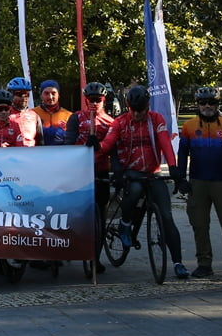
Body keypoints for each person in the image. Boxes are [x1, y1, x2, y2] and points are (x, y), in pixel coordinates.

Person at [95, 85, 191, 279]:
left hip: (151, 172)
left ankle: (178, 263)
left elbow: (165, 143)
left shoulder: (156, 119)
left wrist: (173, 168)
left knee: (166, 216)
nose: (138, 114)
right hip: (131, 172)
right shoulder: (120, 122)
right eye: (134, 110)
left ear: (148, 107)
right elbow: (107, 144)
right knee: (136, 189)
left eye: (142, 110)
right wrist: (95, 145)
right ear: (128, 106)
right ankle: (125, 223)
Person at [177, 86, 222, 281]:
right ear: (197, 105)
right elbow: (182, 153)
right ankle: (204, 264)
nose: (207, 106)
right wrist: (181, 177)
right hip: (198, 182)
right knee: (199, 225)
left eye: (212, 102)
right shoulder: (189, 126)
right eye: (203, 103)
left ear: (217, 104)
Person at [65, 82, 116, 274]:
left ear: (104, 100)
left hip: (100, 171)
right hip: (80, 172)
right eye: (91, 100)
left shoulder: (111, 122)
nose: (94, 103)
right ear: (85, 100)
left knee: (100, 218)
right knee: (78, 216)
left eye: (98, 100)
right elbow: (69, 143)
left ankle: (96, 256)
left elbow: (114, 149)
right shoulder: (76, 118)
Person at [33, 80, 73, 146]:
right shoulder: (32, 114)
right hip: (39, 153)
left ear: (59, 95)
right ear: (41, 95)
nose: (50, 97)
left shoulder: (69, 115)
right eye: (46, 93)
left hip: (61, 153)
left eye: (53, 93)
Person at [6, 77, 40, 147]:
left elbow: (40, 141)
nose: (23, 97)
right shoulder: (4, 114)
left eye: (26, 94)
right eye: (19, 94)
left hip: (30, 154)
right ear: (11, 95)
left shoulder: (34, 116)